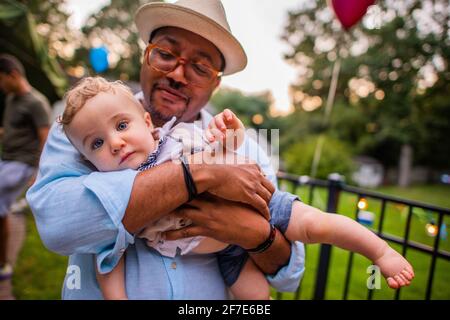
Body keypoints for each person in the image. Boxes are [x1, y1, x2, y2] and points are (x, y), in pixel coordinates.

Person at [26, 0, 306, 299]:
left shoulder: (247, 148)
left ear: (216, 84)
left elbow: (288, 274)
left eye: (200, 67)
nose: (177, 74)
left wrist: (254, 235)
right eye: (165, 54)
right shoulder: (80, 127)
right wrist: (199, 172)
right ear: (145, 55)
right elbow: (60, 227)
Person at [60, 77, 414, 300]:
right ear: (88, 160)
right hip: (222, 254)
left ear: (148, 123)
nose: (116, 143)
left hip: (257, 205)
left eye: (122, 125)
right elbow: (108, 261)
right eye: (96, 144)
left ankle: (379, 252)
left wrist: (230, 131)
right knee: (253, 296)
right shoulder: (115, 195)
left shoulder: (176, 139)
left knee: (314, 225)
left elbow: (226, 155)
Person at [0, 54, 51, 280]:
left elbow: (45, 138)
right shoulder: (11, 99)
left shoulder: (36, 102)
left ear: (13, 75)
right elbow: (12, 130)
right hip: (6, 159)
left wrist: (39, 173)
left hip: (23, 164)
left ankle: (4, 264)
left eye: (0, 79)